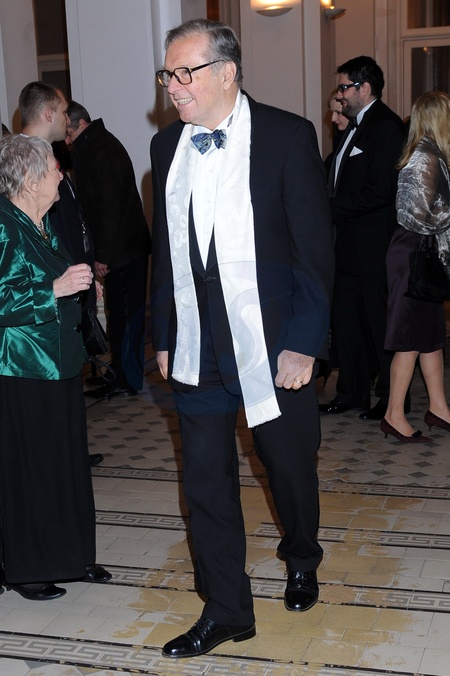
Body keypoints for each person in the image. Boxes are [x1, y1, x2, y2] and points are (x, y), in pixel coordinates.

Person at [150, 19, 334, 658]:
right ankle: (227, 609)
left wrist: (304, 342)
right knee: (204, 482)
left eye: (185, 72)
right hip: (197, 343)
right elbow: (164, 251)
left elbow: (314, 250)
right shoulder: (165, 148)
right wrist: (165, 331)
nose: (173, 86)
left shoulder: (286, 136)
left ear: (227, 72)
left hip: (272, 342)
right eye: (168, 74)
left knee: (288, 466)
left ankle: (302, 555)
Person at [0, 134, 111, 601]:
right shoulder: (4, 225)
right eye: (52, 168)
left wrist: (79, 284)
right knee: (34, 469)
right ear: (29, 179)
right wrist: (56, 290)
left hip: (59, 361)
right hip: (24, 368)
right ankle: (28, 569)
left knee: (66, 463)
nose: (60, 174)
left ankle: (72, 556)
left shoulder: (39, 221)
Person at [19, 81, 104, 467]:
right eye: (64, 109)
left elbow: (69, 222)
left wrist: (83, 270)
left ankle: (70, 456)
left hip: (69, 282)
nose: (69, 117)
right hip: (47, 302)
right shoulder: (23, 160)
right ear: (49, 112)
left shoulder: (50, 154)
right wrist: (63, 280)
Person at [320, 56, 406, 421]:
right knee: (346, 323)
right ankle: (352, 393)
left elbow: (381, 191)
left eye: (344, 87)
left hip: (373, 248)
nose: (340, 95)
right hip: (348, 248)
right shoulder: (353, 127)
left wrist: (328, 209)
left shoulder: (385, 126)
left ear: (364, 88)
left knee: (380, 326)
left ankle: (390, 399)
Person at [66, 101, 151, 399]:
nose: (67, 140)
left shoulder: (98, 149)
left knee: (125, 318)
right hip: (126, 248)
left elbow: (110, 207)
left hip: (123, 251)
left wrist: (102, 254)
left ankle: (126, 380)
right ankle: (123, 374)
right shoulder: (98, 144)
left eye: (68, 132)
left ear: (81, 124)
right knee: (122, 317)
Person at [381, 91, 450, 443]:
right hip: (412, 255)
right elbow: (411, 215)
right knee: (409, 338)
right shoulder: (423, 156)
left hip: (424, 255)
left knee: (431, 337)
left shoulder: (434, 154)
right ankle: (394, 415)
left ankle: (439, 407)